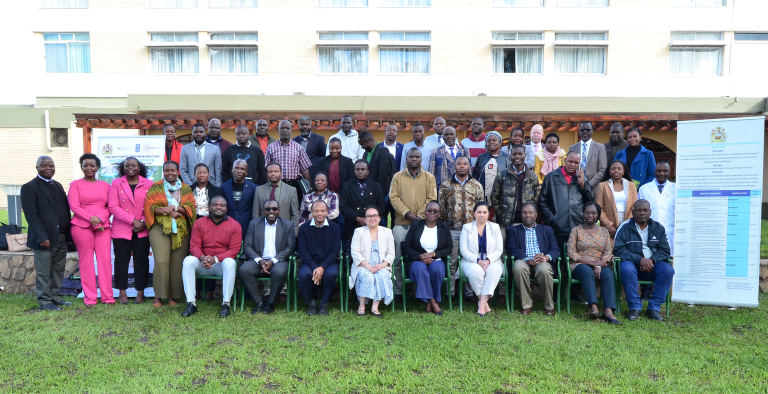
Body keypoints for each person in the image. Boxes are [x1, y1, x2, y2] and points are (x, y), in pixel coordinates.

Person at [21, 156, 73, 311]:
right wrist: (42, 237)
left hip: (61, 236)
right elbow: (31, 215)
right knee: (44, 271)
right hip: (45, 238)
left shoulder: (57, 185)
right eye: (43, 165)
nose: (48, 168)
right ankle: (44, 301)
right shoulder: (29, 187)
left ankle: (55, 296)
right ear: (37, 167)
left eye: (51, 165)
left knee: (58, 268)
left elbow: (64, 210)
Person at [145, 160, 197, 308]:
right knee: (161, 261)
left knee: (176, 263)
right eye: (167, 170)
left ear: (178, 171)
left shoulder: (185, 188)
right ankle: (159, 296)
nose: (170, 173)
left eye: (173, 170)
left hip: (181, 228)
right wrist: (163, 211)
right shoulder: (156, 187)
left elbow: (192, 207)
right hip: (160, 227)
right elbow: (149, 207)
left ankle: (173, 296)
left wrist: (174, 208)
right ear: (163, 172)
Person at [181, 195, 241, 318]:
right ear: (209, 207)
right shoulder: (199, 223)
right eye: (215, 205)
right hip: (203, 263)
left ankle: (226, 304)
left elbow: (234, 250)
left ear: (226, 208)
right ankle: (191, 303)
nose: (219, 207)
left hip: (221, 264)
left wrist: (215, 259)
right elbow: (194, 246)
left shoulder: (235, 225)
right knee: (188, 260)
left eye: (222, 205)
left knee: (230, 262)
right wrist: (203, 258)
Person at [389, 148, 438, 297]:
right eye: (411, 156)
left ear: (421, 159)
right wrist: (407, 214)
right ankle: (398, 292)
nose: (414, 159)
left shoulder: (429, 177)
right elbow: (394, 197)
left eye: (417, 156)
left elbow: (432, 197)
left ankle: (418, 292)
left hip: (422, 225)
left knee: (420, 259)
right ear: (407, 158)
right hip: (401, 224)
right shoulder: (397, 177)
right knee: (398, 259)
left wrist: (420, 215)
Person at [614, 199, 673, 322]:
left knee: (668, 270)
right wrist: (640, 260)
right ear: (633, 212)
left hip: (653, 265)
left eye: (645, 210)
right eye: (639, 210)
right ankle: (634, 307)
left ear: (650, 212)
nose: (642, 213)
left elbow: (665, 250)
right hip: (632, 265)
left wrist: (651, 260)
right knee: (626, 268)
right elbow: (618, 249)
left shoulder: (658, 228)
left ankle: (654, 308)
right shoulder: (624, 227)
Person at [67, 154, 114, 306]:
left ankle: (107, 297)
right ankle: (90, 297)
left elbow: (110, 207)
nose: (89, 168)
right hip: (81, 226)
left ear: (97, 167)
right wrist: (92, 220)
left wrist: (99, 219)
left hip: (103, 226)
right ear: (81, 166)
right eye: (85, 165)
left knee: (105, 260)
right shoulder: (75, 185)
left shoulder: (106, 185)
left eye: (92, 165)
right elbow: (74, 206)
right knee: (86, 261)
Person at [108, 157, 153, 305]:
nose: (130, 168)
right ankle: (122, 292)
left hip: (143, 229)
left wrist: (143, 222)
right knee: (121, 261)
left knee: (141, 261)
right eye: (127, 165)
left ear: (139, 168)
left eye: (133, 165)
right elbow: (113, 206)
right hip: (122, 228)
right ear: (123, 168)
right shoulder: (116, 183)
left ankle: (141, 293)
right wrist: (133, 221)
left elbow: (152, 205)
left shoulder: (148, 183)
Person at [567, 202, 621, 324]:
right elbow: (571, 252)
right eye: (587, 212)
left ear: (598, 215)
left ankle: (608, 311)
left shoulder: (604, 231)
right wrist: (592, 263)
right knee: (587, 272)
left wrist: (599, 264)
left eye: (593, 213)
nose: (590, 215)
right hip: (580, 264)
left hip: (601, 264)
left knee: (608, 274)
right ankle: (594, 308)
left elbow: (608, 251)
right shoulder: (576, 230)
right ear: (583, 214)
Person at [438, 156, 484, 299]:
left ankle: (469, 293)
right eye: (459, 164)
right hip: (452, 230)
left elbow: (481, 208)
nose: (462, 166)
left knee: (471, 261)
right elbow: (441, 208)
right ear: (454, 167)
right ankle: (450, 293)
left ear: (469, 167)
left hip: (471, 230)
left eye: (465, 164)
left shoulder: (476, 185)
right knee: (451, 262)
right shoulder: (446, 185)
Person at [240, 199, 296, 314]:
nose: (271, 211)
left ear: (279, 210)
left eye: (274, 209)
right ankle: (259, 302)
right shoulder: (254, 224)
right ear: (263, 211)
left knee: (279, 272)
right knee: (244, 270)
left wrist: (273, 260)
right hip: (258, 260)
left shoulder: (288, 225)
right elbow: (247, 246)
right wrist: (260, 260)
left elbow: (291, 247)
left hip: (279, 260)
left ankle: (270, 302)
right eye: (268, 209)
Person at [506, 203, 560, 315]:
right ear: (521, 215)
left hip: (541, 261)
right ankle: (526, 305)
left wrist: (546, 257)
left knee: (544, 269)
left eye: (531, 212)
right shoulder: (513, 230)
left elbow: (555, 249)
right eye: (524, 212)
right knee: (519, 267)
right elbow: (511, 248)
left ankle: (549, 306)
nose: (528, 215)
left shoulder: (547, 230)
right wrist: (527, 259)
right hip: (523, 260)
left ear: (536, 215)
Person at [401, 201, 452, 315]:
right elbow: (406, 246)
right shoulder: (416, 225)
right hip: (417, 260)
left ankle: (428, 302)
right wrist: (420, 256)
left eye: (435, 211)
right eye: (429, 210)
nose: (432, 213)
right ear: (425, 212)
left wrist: (432, 254)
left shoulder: (444, 227)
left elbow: (449, 248)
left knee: (437, 270)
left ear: (439, 214)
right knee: (420, 269)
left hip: (436, 259)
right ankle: (433, 302)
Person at [539, 151, 593, 249]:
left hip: (577, 225)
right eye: (570, 161)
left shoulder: (582, 178)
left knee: (575, 259)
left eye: (576, 163)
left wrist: (583, 185)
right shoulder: (551, 177)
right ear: (564, 160)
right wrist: (552, 219)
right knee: (558, 257)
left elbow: (590, 202)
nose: (573, 165)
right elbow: (543, 202)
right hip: (557, 227)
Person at [297, 201, 342, 316]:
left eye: (322, 211)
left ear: (327, 212)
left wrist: (322, 267)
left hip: (329, 262)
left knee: (330, 274)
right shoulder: (304, 228)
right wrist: (315, 267)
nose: (319, 213)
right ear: (311, 212)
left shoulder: (335, 228)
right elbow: (303, 252)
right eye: (316, 211)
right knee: (304, 275)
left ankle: (323, 303)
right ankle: (311, 303)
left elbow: (335, 252)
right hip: (310, 262)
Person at [459, 202, 504, 316]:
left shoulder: (495, 227)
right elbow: (464, 250)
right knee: (475, 271)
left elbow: (499, 249)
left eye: (485, 212)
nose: (481, 215)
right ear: (474, 213)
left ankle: (482, 302)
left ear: (489, 214)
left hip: (492, 260)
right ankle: (484, 303)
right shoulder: (467, 228)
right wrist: (478, 260)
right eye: (479, 212)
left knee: (494, 270)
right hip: (471, 261)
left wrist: (488, 260)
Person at [350, 206, 395, 316]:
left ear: (380, 218)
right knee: (367, 276)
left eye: (375, 216)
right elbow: (355, 253)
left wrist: (381, 266)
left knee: (382, 276)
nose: (372, 218)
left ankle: (375, 308)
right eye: (368, 216)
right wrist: (369, 267)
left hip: (381, 265)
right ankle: (362, 306)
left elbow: (391, 253)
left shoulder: (387, 232)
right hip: (363, 265)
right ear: (364, 219)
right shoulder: (359, 232)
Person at [490, 144, 540, 232]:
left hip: (527, 221)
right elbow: (494, 197)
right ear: (510, 156)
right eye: (514, 154)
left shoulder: (533, 177)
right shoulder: (502, 175)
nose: (517, 156)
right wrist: (501, 213)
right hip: (506, 222)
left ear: (525, 155)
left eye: (520, 154)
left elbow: (536, 198)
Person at [264, 120, 312, 202]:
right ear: (278, 130)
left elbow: (305, 169)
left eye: (287, 128)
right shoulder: (271, 148)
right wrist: (269, 187)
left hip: (295, 185)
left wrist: (309, 188)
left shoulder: (299, 148)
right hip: (277, 184)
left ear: (291, 130)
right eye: (282, 128)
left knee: (295, 209)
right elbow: (266, 169)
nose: (285, 130)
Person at [339, 160, 386, 242]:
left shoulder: (376, 186)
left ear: (367, 171)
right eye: (357, 169)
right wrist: (357, 218)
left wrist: (369, 218)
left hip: (372, 225)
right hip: (352, 226)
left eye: (363, 169)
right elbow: (343, 207)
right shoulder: (347, 186)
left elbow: (381, 206)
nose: (360, 172)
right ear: (354, 171)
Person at [638, 162, 676, 256]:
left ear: (669, 172)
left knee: (669, 260)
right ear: (654, 172)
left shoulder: (676, 189)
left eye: (665, 171)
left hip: (670, 232)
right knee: (649, 261)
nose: (662, 173)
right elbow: (638, 212)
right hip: (649, 232)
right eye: (659, 171)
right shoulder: (644, 189)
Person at [252, 163, 300, 232]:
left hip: (284, 230)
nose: (273, 174)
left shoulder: (291, 190)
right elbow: (256, 214)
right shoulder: (259, 190)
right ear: (267, 174)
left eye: (276, 171)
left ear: (281, 173)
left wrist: (294, 234)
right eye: (270, 172)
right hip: (264, 230)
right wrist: (256, 231)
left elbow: (295, 214)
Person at [595, 160, 637, 238]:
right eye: (613, 169)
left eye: (619, 168)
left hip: (627, 223)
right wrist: (609, 226)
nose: (616, 171)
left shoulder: (631, 185)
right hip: (608, 226)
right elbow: (598, 208)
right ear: (609, 171)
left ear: (623, 171)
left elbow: (634, 206)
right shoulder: (602, 186)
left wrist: (626, 224)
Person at [358, 130, 396, 206]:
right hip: (370, 191)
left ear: (366, 141)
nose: (362, 147)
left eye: (362, 145)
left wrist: (377, 192)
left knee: (381, 216)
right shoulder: (366, 153)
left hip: (380, 192)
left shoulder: (382, 151)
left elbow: (383, 174)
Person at [221, 160, 257, 237]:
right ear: (232, 170)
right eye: (236, 168)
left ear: (246, 172)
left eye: (242, 169)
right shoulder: (223, 187)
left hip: (246, 227)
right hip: (227, 226)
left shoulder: (254, 188)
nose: (239, 171)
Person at [568, 121, 606, 190]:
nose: (585, 132)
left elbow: (602, 170)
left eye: (588, 130)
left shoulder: (600, 147)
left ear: (592, 131)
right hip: (575, 187)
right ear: (579, 131)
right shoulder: (572, 148)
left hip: (593, 188)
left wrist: (588, 185)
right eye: (582, 130)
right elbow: (569, 167)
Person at [473, 131, 510, 202]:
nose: (491, 142)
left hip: (501, 199)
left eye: (494, 140)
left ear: (500, 143)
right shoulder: (481, 158)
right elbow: (475, 177)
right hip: (483, 198)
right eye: (488, 141)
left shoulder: (507, 158)